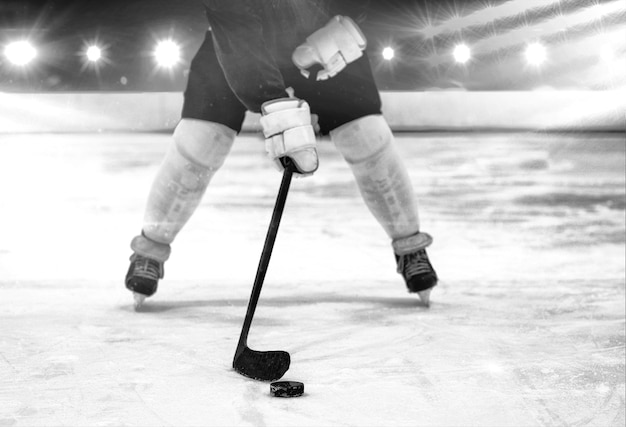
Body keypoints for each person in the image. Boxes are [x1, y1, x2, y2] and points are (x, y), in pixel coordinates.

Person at [125, 0, 438, 309]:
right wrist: (278, 109)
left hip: (324, 37)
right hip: (239, 49)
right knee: (200, 142)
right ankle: (149, 250)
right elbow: (238, 33)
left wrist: (352, 22)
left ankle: (410, 247)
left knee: (367, 137)